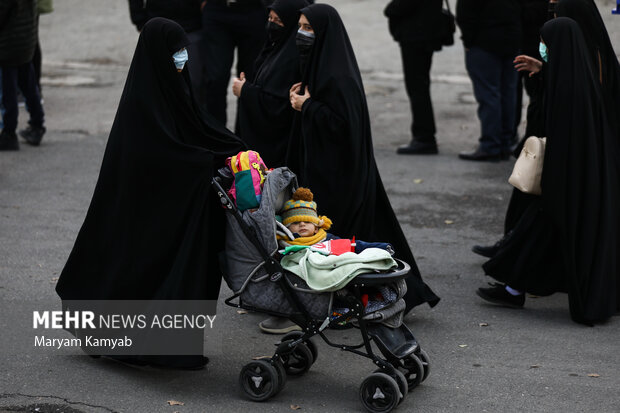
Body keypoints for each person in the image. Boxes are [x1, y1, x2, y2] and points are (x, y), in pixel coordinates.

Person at [56, 18, 246, 368]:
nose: (182, 58)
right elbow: (158, 153)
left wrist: (235, 149)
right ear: (158, 54)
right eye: (175, 52)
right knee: (137, 273)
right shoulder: (142, 104)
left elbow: (197, 126)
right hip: (143, 214)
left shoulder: (174, 87)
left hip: (166, 210)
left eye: (183, 50)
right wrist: (203, 162)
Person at [286, 4, 440, 313]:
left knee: (346, 239)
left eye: (308, 28)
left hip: (341, 174)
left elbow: (344, 124)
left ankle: (363, 296)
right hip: (330, 168)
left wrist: (308, 107)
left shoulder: (337, 75)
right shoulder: (322, 66)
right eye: (300, 26)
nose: (301, 34)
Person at [476, 17, 619, 325]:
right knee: (543, 237)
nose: (542, 48)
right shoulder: (578, 79)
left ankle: (513, 288)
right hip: (575, 183)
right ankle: (513, 288)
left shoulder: (569, 89)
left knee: (540, 232)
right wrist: (544, 71)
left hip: (564, 182)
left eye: (546, 43)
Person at [232, 0, 308, 167]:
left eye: (278, 21)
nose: (272, 25)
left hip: (279, 150)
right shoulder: (274, 48)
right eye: (270, 19)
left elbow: (278, 107)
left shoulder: (292, 59)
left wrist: (245, 91)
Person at [456, 0, 521, 161]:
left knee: (489, 95)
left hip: (484, 42)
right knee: (508, 94)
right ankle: (505, 143)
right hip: (511, 38)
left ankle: (491, 145)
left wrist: (468, 40)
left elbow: (465, 12)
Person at [384, 0, 444, 155]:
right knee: (420, 86)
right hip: (423, 34)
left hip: (416, 37)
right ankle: (424, 135)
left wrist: (390, 9)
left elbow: (402, 6)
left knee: (417, 88)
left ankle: (424, 138)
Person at [200, 0, 268, 125]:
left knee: (250, 78)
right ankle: (217, 135)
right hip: (217, 10)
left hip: (253, 11)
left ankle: (245, 136)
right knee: (215, 78)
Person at [0, 0, 46, 151]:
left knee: (7, 93)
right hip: (26, 42)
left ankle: (8, 133)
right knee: (29, 87)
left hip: (7, 46)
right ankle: (37, 124)